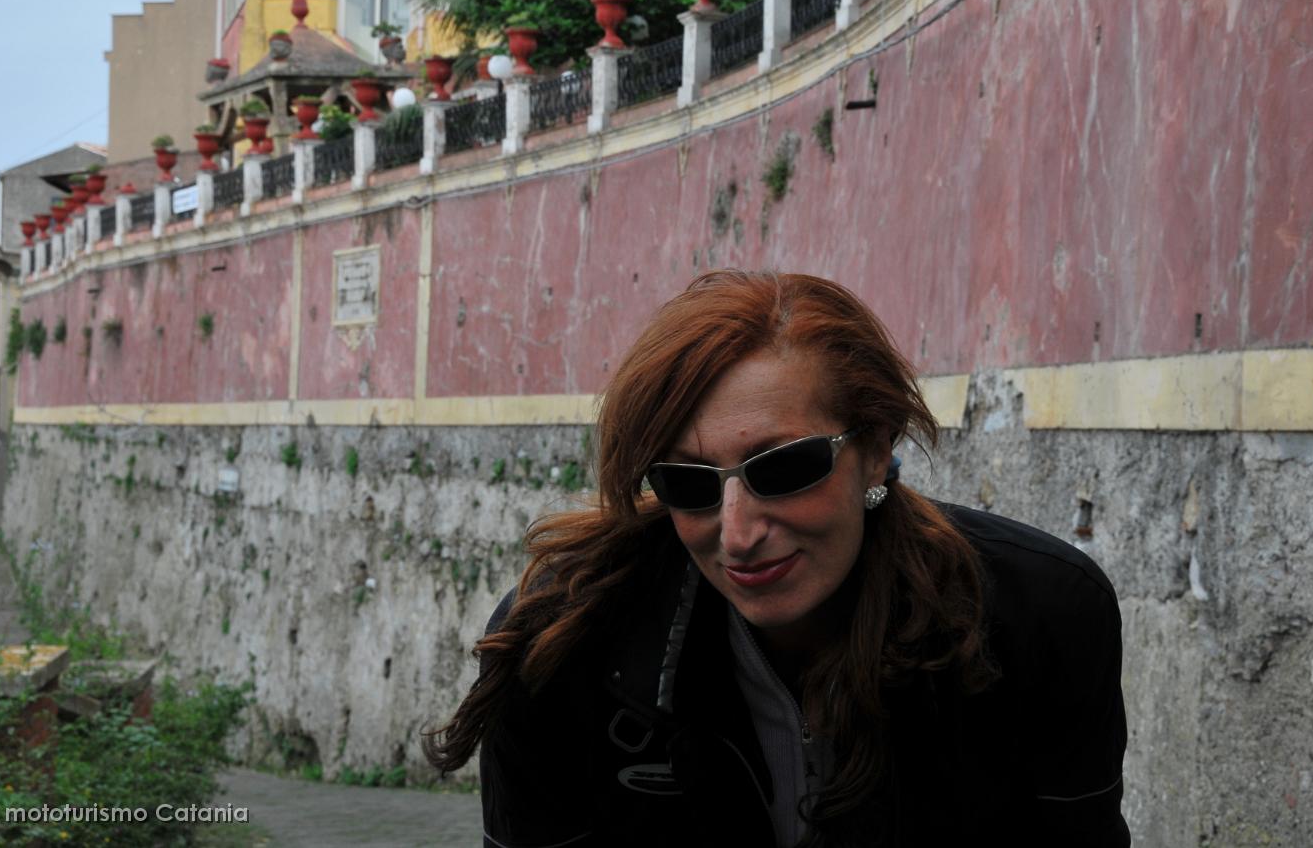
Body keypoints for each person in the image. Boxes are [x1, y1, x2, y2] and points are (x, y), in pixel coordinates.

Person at [425, 270, 1130, 846]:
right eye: (688, 483)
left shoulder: (1041, 613)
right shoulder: (560, 640)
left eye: (784, 468)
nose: (736, 533)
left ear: (876, 449)